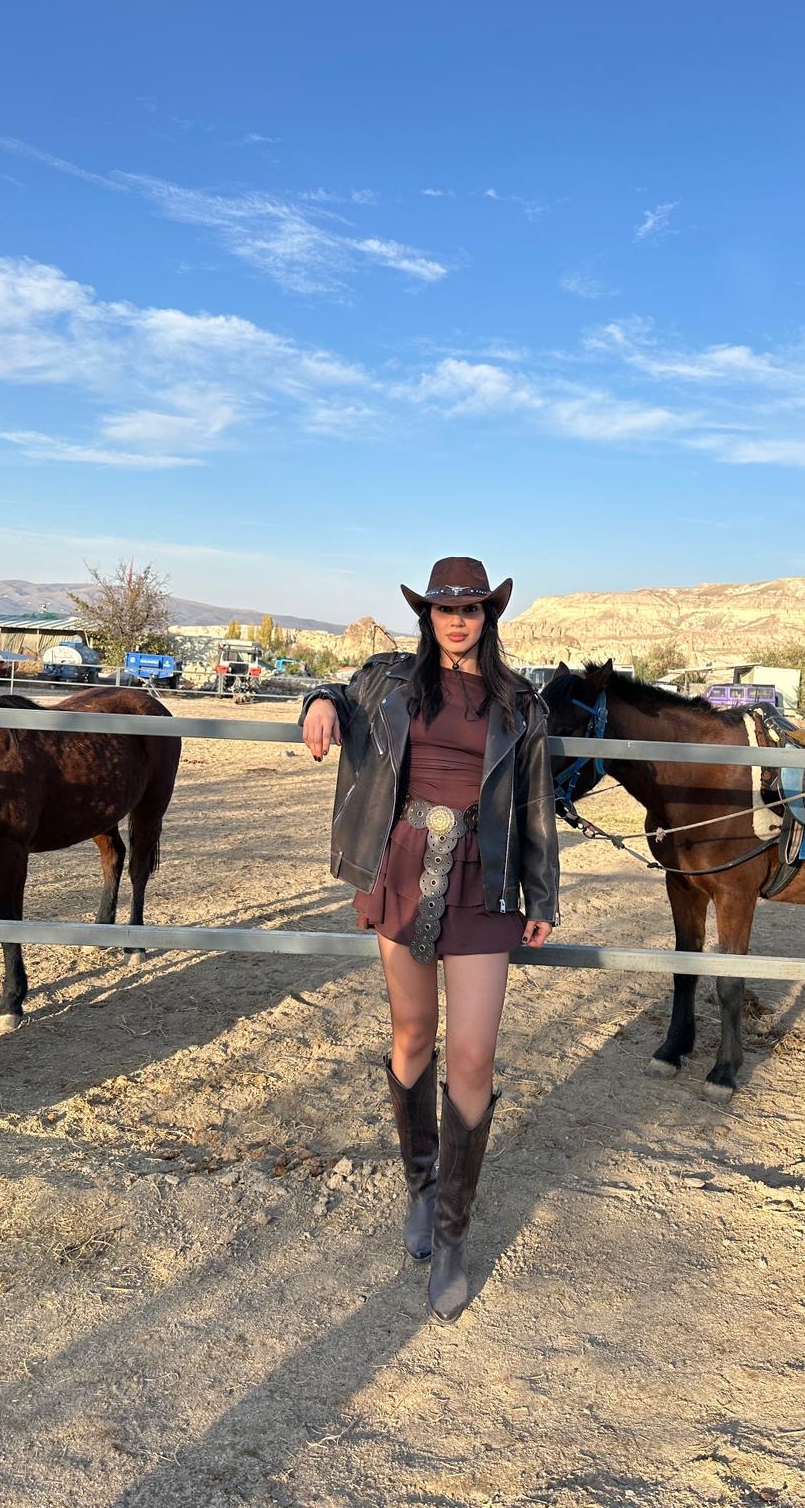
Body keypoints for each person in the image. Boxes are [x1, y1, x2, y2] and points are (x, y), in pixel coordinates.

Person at [300, 556, 559, 1322]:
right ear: (428, 617)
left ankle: (451, 1235)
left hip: (485, 876)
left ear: (487, 617)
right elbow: (336, 689)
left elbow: (536, 801)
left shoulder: (521, 702)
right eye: (445, 609)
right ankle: (420, 1183)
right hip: (404, 865)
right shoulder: (391, 679)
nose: (457, 621)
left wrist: (542, 895)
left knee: (474, 1053)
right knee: (414, 1033)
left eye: (471, 609)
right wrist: (319, 701)